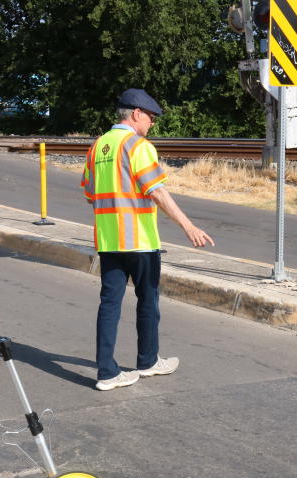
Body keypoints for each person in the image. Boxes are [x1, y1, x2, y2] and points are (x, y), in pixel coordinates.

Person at [81, 88, 214, 391]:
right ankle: (148, 361)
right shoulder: (138, 146)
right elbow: (157, 191)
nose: (152, 123)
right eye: (151, 117)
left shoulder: (98, 146)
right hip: (139, 240)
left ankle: (106, 373)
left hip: (108, 240)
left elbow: (91, 195)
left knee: (109, 304)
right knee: (148, 302)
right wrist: (187, 225)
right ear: (136, 114)